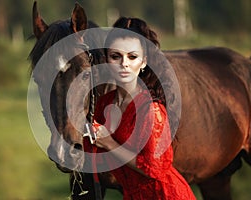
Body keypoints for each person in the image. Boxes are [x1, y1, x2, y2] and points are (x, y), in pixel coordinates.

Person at [84, 17, 196, 200]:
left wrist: (109, 143)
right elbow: (93, 150)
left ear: (144, 62)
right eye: (115, 56)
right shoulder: (104, 103)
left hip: (164, 195)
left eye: (132, 56)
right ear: (106, 59)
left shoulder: (151, 110)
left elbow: (155, 168)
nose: (124, 64)